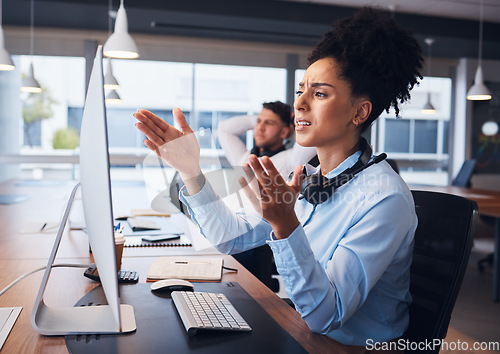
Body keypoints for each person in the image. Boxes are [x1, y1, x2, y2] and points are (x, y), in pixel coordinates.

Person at [134, 7, 422, 347]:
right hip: (298, 328)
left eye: (319, 93)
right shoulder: (309, 179)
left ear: (359, 112)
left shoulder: (384, 198)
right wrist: (190, 171)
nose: (299, 103)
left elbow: (326, 316)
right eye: (301, 90)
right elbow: (228, 237)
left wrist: (286, 226)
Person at [218, 101, 316, 177]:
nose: (260, 127)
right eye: (258, 121)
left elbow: (313, 131)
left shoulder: (290, 160)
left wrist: (294, 118)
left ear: (284, 132)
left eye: (269, 123)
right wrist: (262, 117)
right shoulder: (243, 158)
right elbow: (224, 128)